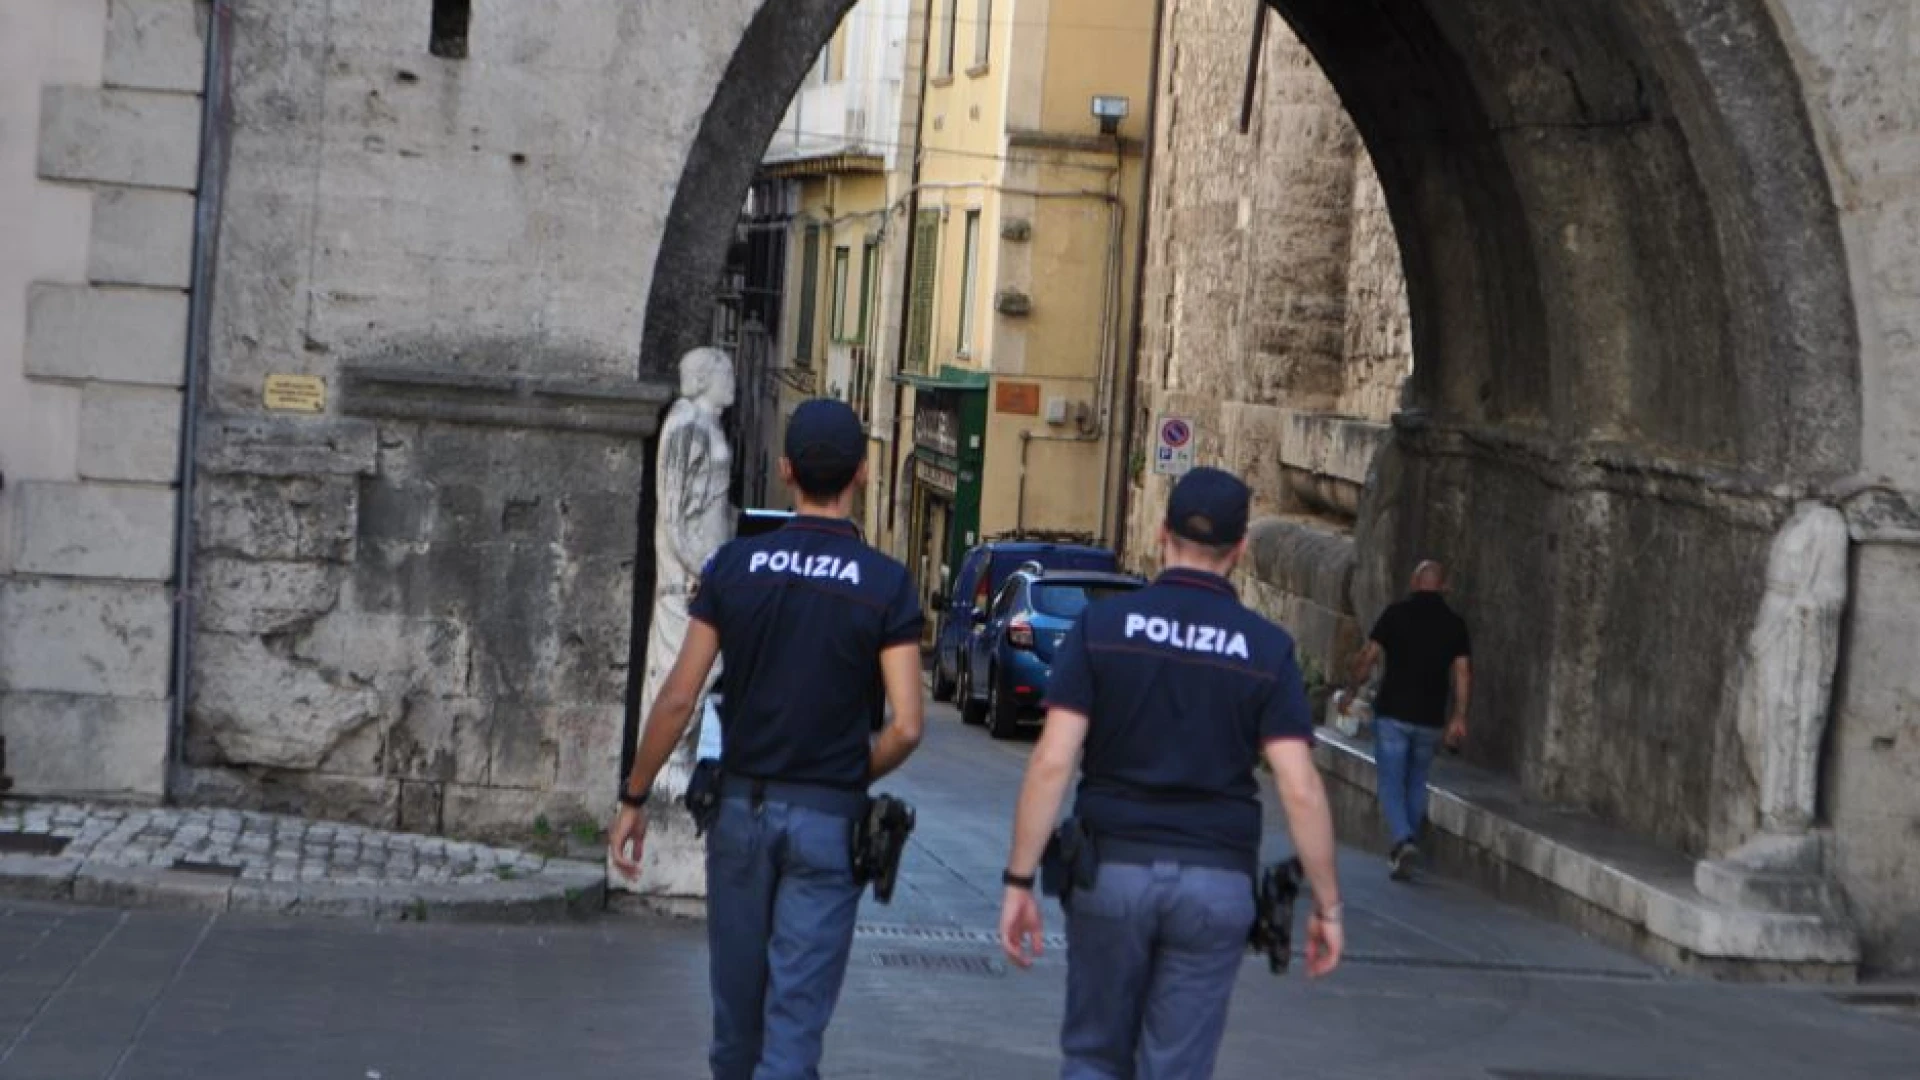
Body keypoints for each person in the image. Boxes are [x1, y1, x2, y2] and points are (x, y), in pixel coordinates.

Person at [610, 398, 926, 1080]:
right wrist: (850, 770)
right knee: (792, 1036)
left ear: (786, 471)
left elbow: (677, 698)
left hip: (741, 816)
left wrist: (635, 796)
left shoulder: (734, 569)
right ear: (864, 474)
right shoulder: (887, 587)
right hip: (828, 820)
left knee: (735, 1030)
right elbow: (907, 724)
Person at [998, 467, 1344, 1079]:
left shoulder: (1102, 629)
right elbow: (1298, 785)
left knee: (1092, 1058)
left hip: (1112, 872)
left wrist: (1019, 881)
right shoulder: (1265, 649)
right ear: (1239, 550)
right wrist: (1328, 905)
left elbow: (1053, 759)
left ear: (1162, 535)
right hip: (1215, 883)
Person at [1339, 560, 1472, 881]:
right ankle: (1405, 846)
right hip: (1430, 718)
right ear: (1444, 587)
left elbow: (1368, 657)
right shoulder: (1455, 624)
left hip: (1393, 714)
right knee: (1416, 781)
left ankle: (1402, 840)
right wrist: (1459, 716)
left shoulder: (1395, 614)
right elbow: (1462, 673)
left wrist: (1350, 690)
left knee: (1390, 781)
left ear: (1414, 582)